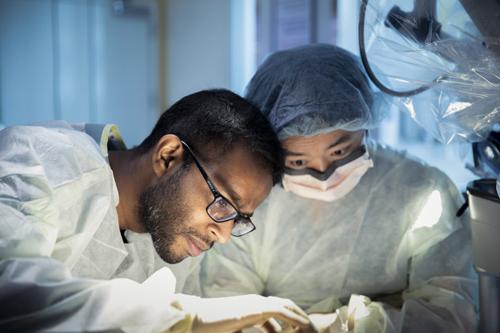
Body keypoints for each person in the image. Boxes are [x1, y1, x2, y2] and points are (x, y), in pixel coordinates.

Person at [197, 45, 478, 332]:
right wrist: (388, 307)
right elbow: (227, 304)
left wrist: (339, 326)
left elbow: (450, 314)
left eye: (339, 153)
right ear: (269, 150)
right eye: (298, 160)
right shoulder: (251, 202)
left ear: (365, 124)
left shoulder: (422, 191)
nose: (322, 175)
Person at [0, 89, 316, 332]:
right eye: (223, 202)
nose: (223, 235)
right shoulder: (39, 162)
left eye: (240, 218)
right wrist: (185, 317)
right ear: (168, 157)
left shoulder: (171, 243)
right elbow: (13, 295)